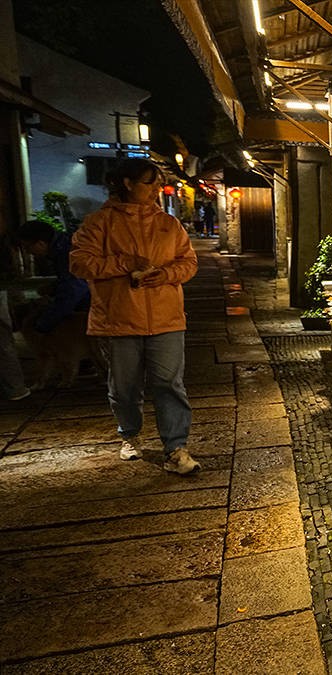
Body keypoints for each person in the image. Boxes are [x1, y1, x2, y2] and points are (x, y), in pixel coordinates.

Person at [69, 158, 200, 474]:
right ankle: (129, 434)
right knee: (125, 387)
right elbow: (80, 263)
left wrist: (166, 274)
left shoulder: (169, 224)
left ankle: (176, 447)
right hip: (119, 318)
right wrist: (124, 263)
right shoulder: (99, 223)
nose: (156, 189)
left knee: (169, 383)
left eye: (158, 184)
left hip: (167, 317)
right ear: (127, 183)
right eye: (149, 183)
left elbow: (189, 263)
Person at [16, 219, 91, 335]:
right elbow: (74, 280)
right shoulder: (65, 245)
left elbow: (72, 291)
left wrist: (42, 325)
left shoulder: (67, 254)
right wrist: (54, 288)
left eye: (27, 247)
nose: (28, 252)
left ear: (40, 243)